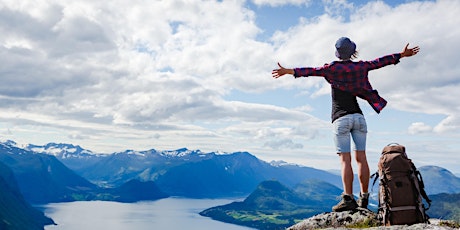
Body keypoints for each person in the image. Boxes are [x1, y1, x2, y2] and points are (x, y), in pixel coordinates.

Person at [272, 37, 420, 212]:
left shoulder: (331, 69)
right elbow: (379, 62)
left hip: (341, 119)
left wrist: (288, 71)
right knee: (361, 158)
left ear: (337, 52)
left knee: (345, 160)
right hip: (359, 118)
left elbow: (310, 71)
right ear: (352, 52)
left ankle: (348, 198)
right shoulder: (360, 67)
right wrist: (401, 55)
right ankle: (364, 197)